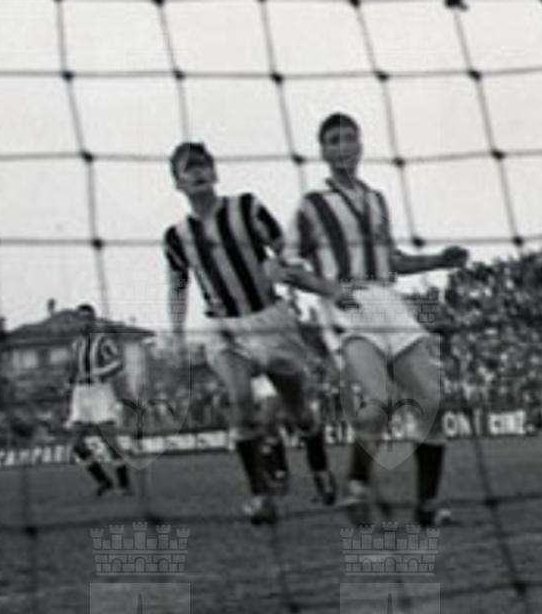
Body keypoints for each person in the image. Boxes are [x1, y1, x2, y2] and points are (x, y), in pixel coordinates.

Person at [290, 113, 468, 528]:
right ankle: (356, 488)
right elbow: (286, 266)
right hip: (347, 302)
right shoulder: (312, 205)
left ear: (360, 145)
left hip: (389, 301)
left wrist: (438, 260)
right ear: (322, 151)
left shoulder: (376, 200)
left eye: (349, 138)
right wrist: (328, 288)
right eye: (334, 140)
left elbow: (393, 261)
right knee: (380, 398)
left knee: (431, 401)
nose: (343, 146)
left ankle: (427, 507)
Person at [162, 141, 337, 525]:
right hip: (224, 327)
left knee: (298, 410)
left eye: (203, 164)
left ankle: (319, 464)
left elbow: (285, 253)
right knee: (240, 398)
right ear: (177, 183)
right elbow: (177, 287)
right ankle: (261, 496)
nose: (197, 172)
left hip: (270, 319)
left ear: (214, 172)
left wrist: (284, 268)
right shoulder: (176, 237)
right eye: (188, 168)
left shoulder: (247, 208)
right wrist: (175, 334)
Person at [66, 303, 134, 497]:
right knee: (76, 444)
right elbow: (74, 368)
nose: (84, 323)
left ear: (93, 320)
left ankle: (124, 484)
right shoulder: (76, 344)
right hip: (80, 394)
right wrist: (70, 378)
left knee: (109, 440)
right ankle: (103, 481)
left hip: (100, 392)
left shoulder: (103, 341)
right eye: (81, 319)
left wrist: (98, 373)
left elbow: (118, 363)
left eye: (88, 319)